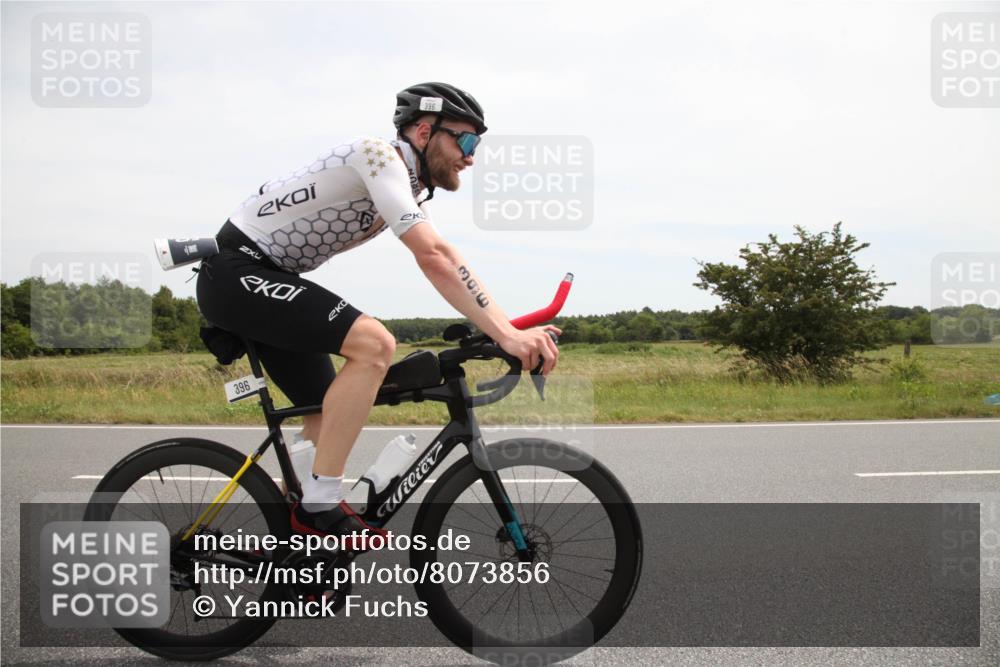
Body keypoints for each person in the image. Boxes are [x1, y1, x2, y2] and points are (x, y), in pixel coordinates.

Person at [195, 82, 560, 542]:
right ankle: (319, 507)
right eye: (466, 141)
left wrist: (504, 327)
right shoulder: (379, 157)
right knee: (375, 344)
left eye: (477, 145)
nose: (472, 156)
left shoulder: (404, 183)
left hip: (266, 277)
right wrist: (507, 334)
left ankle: (302, 547)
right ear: (425, 132)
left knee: (326, 410)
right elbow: (436, 257)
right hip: (236, 272)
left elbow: (443, 263)